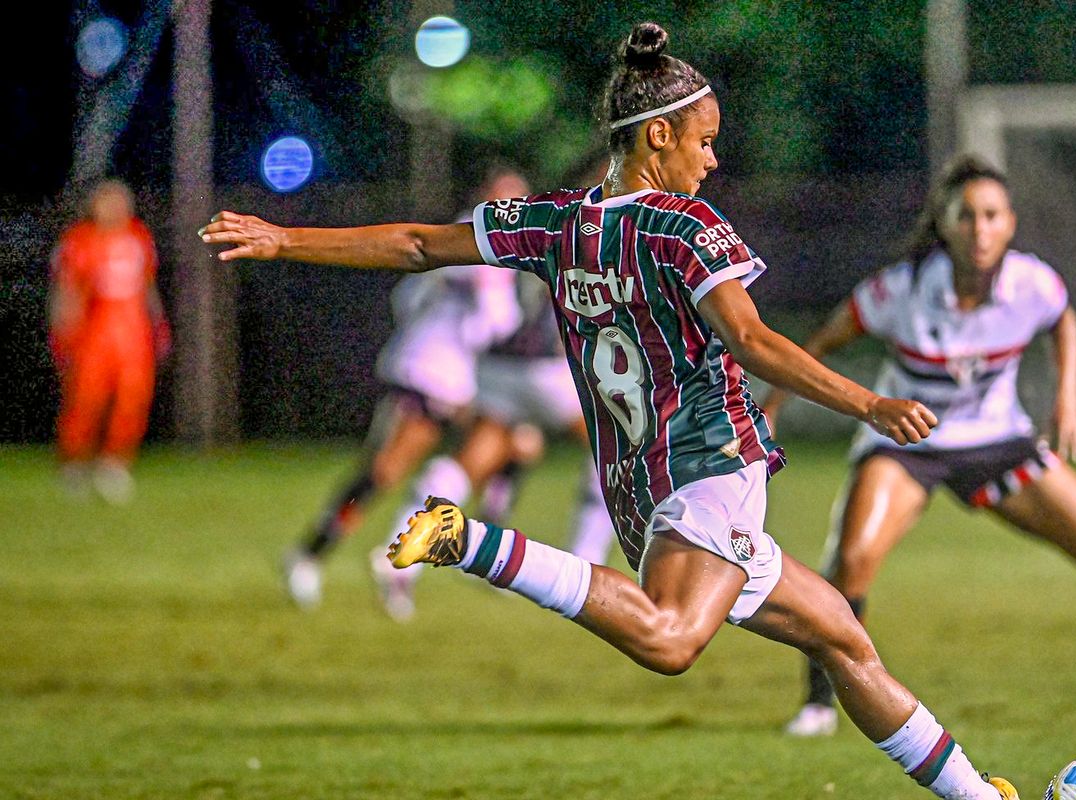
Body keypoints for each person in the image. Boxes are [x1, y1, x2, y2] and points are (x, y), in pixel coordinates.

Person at [202, 22, 1022, 800]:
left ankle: (979, 794)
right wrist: (868, 402)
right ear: (658, 135)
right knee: (671, 639)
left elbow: (418, 245)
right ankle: (471, 540)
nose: (713, 158)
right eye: (704, 140)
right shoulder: (684, 228)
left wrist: (286, 238)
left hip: (639, 491)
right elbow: (749, 340)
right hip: (708, 465)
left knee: (842, 638)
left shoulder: (556, 224)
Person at [764, 155, 1076, 738]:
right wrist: (773, 405)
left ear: (1010, 224)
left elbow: (1063, 320)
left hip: (999, 442)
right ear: (944, 225)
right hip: (910, 445)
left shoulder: (1031, 283)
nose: (980, 230)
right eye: (966, 216)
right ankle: (819, 705)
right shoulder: (900, 290)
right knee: (851, 563)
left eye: (992, 216)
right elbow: (819, 344)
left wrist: (1066, 401)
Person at [281, 168, 527, 611]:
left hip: (449, 372)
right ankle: (312, 554)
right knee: (385, 470)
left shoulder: (456, 235)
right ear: (486, 197)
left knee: (513, 444)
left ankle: (441, 555)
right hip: (431, 373)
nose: (513, 207)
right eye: (505, 197)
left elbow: (407, 296)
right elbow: (498, 319)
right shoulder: (486, 240)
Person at [371, 270, 615, 620]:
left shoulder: (495, 242)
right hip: (547, 371)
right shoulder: (573, 242)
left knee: (470, 461)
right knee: (612, 442)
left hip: (495, 369)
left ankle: (400, 554)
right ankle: (588, 560)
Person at [50, 179, 168, 504]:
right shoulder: (80, 239)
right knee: (86, 397)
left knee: (133, 395)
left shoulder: (138, 236)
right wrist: (63, 331)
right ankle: (74, 460)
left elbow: (147, 285)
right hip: (95, 329)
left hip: (132, 329)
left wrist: (158, 323)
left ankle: (114, 463)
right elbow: (68, 289)